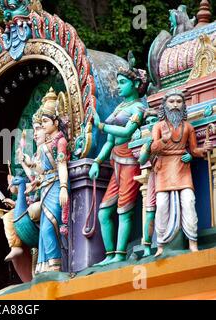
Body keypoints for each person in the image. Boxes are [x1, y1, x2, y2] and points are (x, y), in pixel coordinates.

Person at [89, 53, 149, 266]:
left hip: (130, 164)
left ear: (135, 84)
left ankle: (120, 253)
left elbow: (125, 133)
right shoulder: (119, 108)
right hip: (115, 163)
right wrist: (97, 161)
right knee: (104, 212)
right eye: (118, 83)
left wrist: (102, 126)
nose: (119, 87)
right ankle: (110, 254)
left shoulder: (139, 108)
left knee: (124, 210)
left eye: (123, 83)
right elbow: (110, 141)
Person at [150, 89, 213, 257]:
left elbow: (193, 150)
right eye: (172, 102)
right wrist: (163, 139)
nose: (175, 105)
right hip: (164, 168)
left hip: (182, 168)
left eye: (179, 101)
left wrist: (202, 150)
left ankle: (193, 243)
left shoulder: (188, 127)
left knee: (189, 202)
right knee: (162, 205)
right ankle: (161, 245)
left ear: (184, 105)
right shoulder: (158, 126)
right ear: (165, 105)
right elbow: (153, 148)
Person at [25, 88, 70, 274]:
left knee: (50, 227)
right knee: (44, 229)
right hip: (45, 187)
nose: (42, 126)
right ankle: (46, 267)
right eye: (41, 122)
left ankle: (55, 266)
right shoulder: (45, 145)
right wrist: (29, 165)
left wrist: (63, 188)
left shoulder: (60, 141)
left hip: (55, 186)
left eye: (45, 122)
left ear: (56, 122)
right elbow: (42, 170)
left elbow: (61, 166)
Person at [1, 109, 45, 262]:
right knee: (8, 217)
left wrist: (27, 164)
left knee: (33, 211)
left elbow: (39, 174)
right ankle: (16, 246)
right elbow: (32, 176)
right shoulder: (36, 154)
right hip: (34, 196)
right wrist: (22, 161)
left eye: (39, 128)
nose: (36, 133)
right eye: (34, 130)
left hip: (47, 195)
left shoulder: (49, 149)